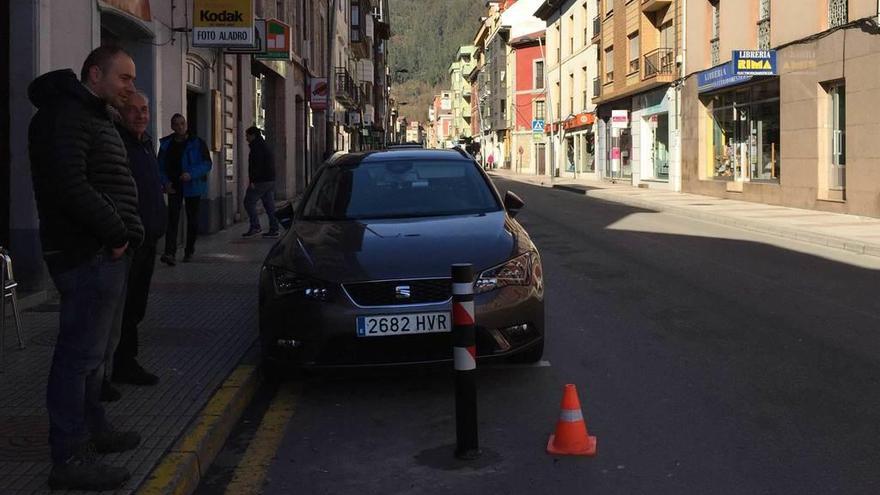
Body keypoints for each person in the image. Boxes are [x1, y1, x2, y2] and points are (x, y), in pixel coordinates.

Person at [28, 45, 144, 491]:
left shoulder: (93, 115)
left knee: (95, 356)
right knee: (77, 359)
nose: (131, 88)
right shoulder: (66, 116)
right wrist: (116, 234)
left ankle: (95, 429)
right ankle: (69, 457)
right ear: (95, 74)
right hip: (87, 254)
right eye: (124, 78)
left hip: (104, 253)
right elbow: (70, 185)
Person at [104, 90, 166, 394]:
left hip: (148, 238)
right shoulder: (118, 143)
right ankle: (117, 366)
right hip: (128, 240)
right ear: (120, 113)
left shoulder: (144, 143)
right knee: (122, 308)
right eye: (134, 110)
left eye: (145, 109)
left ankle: (124, 361)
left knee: (136, 305)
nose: (141, 115)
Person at [158, 114, 212, 265]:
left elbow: (206, 163)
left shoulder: (197, 143)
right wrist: (165, 183)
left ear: (186, 125)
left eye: (182, 124)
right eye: (176, 124)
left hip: (193, 186)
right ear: (172, 126)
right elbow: (160, 166)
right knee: (172, 219)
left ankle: (189, 250)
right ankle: (169, 253)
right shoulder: (166, 144)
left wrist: (191, 174)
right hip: (174, 186)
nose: (180, 127)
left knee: (192, 219)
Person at [242, 126, 280, 238]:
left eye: (247, 135)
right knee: (269, 205)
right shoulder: (264, 145)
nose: (246, 138)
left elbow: (256, 165)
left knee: (248, 202)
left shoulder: (256, 147)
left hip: (261, 181)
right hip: (269, 180)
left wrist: (253, 180)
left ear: (253, 135)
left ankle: (255, 226)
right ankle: (274, 228)